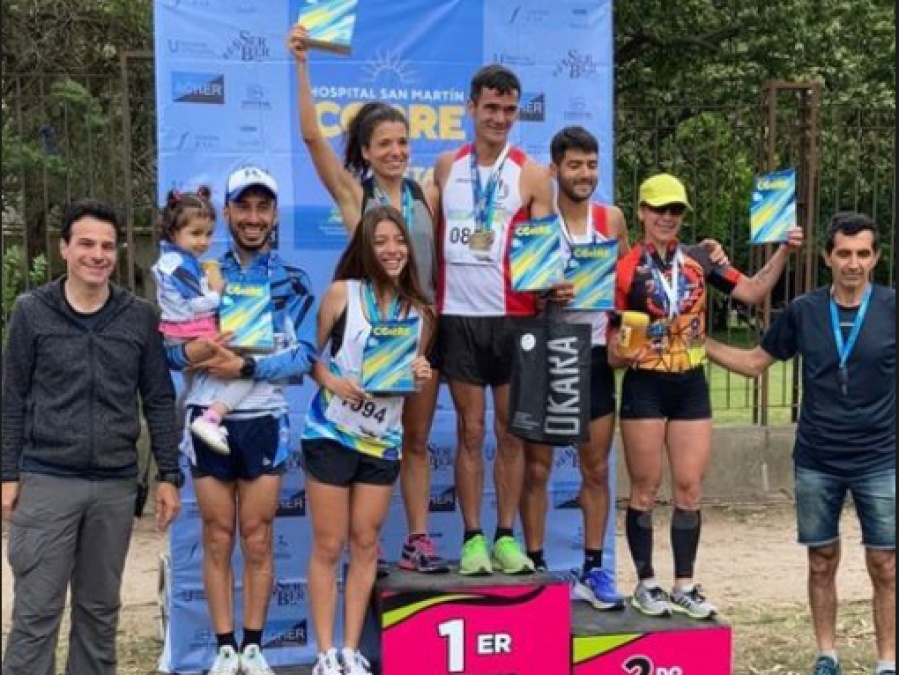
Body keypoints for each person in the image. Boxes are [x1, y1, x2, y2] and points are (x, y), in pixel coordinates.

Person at [287, 25, 448, 574]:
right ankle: (367, 544)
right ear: (365, 151)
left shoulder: (429, 193)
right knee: (367, 433)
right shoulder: (357, 196)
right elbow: (312, 138)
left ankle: (418, 539)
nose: (397, 151)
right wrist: (304, 65)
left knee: (416, 438)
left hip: (420, 332)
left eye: (403, 142)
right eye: (385, 144)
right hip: (369, 335)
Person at [704, 213, 895, 675]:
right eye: (844, 253)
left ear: (876, 258)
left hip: (881, 459)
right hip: (817, 459)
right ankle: (826, 653)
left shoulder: (891, 307)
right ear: (827, 257)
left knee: (886, 565)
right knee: (821, 561)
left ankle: (888, 660)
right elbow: (754, 363)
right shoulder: (804, 311)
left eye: (863, 254)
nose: (853, 263)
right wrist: (699, 342)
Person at [608, 172, 803, 619]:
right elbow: (614, 352)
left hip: (691, 384)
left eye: (675, 210)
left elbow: (752, 292)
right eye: (659, 209)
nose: (667, 218)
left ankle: (685, 584)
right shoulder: (624, 269)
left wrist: (784, 251)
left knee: (690, 489)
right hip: (645, 385)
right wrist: (632, 346)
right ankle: (645, 583)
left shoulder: (699, 259)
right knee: (643, 488)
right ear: (641, 212)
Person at [1, 199, 183, 675]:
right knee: (35, 615)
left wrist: (170, 474)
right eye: (85, 243)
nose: (97, 254)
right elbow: (11, 398)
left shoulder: (139, 317)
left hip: (115, 487)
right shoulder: (31, 312)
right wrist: (6, 473)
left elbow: (159, 399)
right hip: (45, 480)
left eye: (107, 245)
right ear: (64, 248)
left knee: (100, 616)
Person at [167, 167, 318, 675]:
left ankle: (253, 647)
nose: (254, 218)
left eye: (263, 207)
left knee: (256, 535)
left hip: (264, 420)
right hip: (206, 417)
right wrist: (192, 350)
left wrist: (248, 366)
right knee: (216, 534)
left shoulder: (293, 282)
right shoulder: (197, 270)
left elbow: (305, 358)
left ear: (274, 215)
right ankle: (223, 648)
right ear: (227, 212)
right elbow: (168, 350)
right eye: (244, 207)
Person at [432, 63, 554, 575]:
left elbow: (545, 252)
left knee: (510, 432)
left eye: (508, 110)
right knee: (468, 429)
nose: (500, 118)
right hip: (459, 315)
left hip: (513, 316)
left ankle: (506, 534)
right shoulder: (445, 167)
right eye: (491, 109)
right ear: (471, 108)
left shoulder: (531, 172)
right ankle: (472, 537)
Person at [301, 206, 434, 675]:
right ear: (365, 247)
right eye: (381, 241)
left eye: (399, 241)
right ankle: (323, 653)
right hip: (331, 434)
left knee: (365, 544)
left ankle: (352, 650)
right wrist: (331, 382)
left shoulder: (419, 312)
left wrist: (420, 372)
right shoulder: (342, 294)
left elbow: (408, 380)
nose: (392, 250)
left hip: (381, 442)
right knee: (329, 543)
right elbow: (307, 357)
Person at [519, 126, 629, 607]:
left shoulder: (612, 219)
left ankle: (592, 569)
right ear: (555, 169)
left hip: (595, 353)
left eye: (591, 164)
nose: (584, 174)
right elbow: (519, 290)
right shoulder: (536, 221)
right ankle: (538, 565)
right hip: (546, 347)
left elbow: (628, 284)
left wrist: (625, 327)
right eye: (575, 165)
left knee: (596, 470)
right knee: (538, 468)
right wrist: (544, 292)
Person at [152, 186, 262, 454]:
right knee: (248, 370)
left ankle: (179, 434)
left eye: (209, 234)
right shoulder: (175, 264)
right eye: (195, 234)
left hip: (187, 331)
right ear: (173, 232)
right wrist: (219, 294)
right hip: (189, 334)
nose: (203, 241)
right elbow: (196, 304)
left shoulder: (183, 261)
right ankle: (210, 418)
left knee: (192, 388)